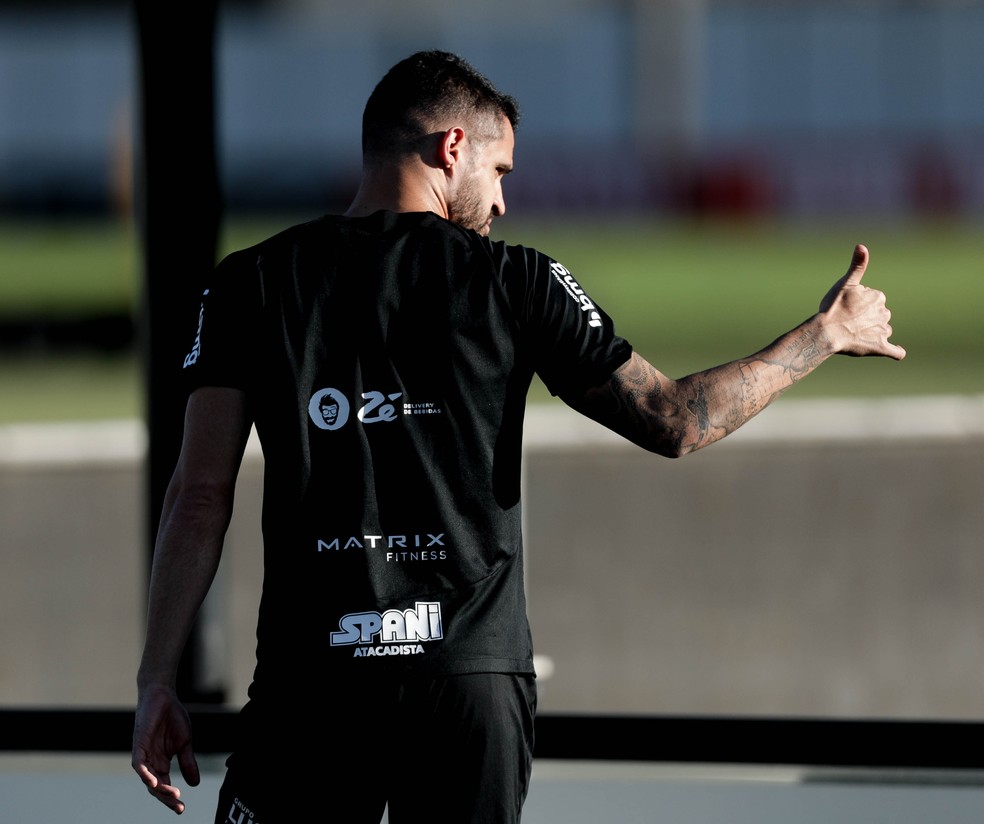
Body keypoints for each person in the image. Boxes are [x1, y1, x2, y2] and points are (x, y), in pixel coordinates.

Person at [131, 49, 905, 823]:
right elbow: (675, 420)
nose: (502, 202)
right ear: (452, 148)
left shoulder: (249, 283)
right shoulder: (517, 281)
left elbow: (198, 496)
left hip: (314, 688)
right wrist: (825, 335)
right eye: (500, 171)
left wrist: (156, 679)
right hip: (468, 686)